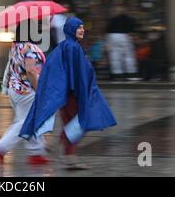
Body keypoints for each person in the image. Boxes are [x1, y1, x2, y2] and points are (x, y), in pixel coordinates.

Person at [20, 17, 117, 169]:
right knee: (80, 123)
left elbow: (53, 67)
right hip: (75, 94)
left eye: (83, 27)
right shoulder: (73, 48)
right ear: (71, 29)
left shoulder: (63, 47)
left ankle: (68, 156)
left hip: (67, 94)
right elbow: (76, 72)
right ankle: (60, 146)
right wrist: (78, 91)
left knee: (71, 123)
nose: (82, 30)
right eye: (79, 27)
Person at [0, 20, 49, 166]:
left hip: (16, 90)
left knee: (29, 119)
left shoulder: (16, 46)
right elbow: (30, 71)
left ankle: (36, 152)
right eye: (38, 30)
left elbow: (11, 67)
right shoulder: (30, 48)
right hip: (27, 91)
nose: (40, 32)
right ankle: (1, 147)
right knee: (25, 122)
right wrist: (39, 90)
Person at [106, 6, 139, 80]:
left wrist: (108, 42)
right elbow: (132, 28)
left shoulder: (112, 19)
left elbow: (107, 29)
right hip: (124, 36)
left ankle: (117, 75)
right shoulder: (127, 19)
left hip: (112, 37)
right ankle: (131, 74)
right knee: (128, 56)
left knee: (115, 56)